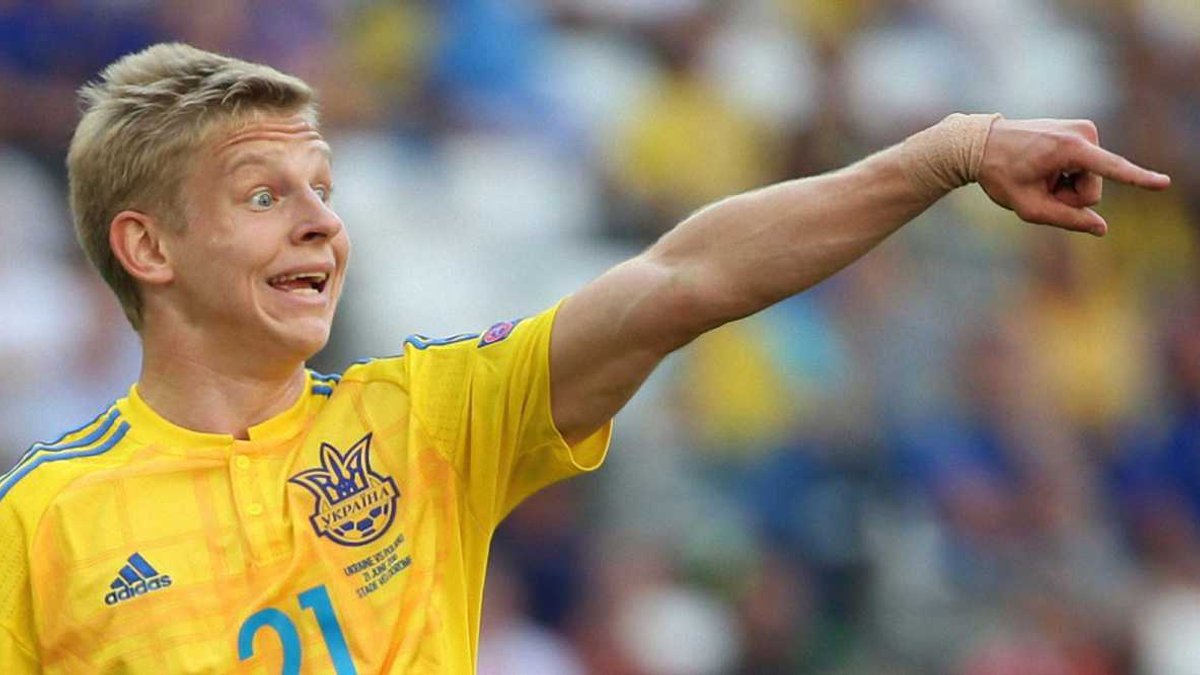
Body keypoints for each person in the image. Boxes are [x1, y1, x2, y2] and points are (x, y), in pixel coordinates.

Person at [0, 42, 1169, 674]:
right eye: (265, 195)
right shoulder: (40, 525)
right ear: (148, 246)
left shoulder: (425, 416)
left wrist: (946, 152)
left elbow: (683, 279)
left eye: (324, 189)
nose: (321, 223)